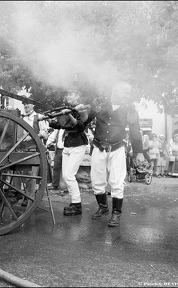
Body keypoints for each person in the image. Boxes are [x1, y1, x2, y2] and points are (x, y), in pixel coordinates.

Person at [89, 81, 145, 227]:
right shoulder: (100, 105)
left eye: (128, 93)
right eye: (125, 92)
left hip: (117, 149)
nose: (128, 95)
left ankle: (116, 214)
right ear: (115, 90)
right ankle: (103, 208)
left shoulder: (130, 110)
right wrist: (80, 113)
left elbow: (135, 131)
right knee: (97, 181)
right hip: (98, 147)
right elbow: (84, 121)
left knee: (117, 182)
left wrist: (139, 152)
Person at [48, 90, 92, 216]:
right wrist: (51, 119)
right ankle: (74, 202)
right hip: (67, 144)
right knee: (65, 176)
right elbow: (60, 124)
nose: (68, 97)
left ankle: (77, 204)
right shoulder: (67, 109)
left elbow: (80, 126)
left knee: (69, 175)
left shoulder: (81, 109)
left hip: (78, 144)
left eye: (72, 95)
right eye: (67, 95)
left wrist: (69, 114)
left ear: (77, 96)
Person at [14, 96, 49, 206]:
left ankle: (30, 197)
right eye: (24, 104)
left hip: (34, 149)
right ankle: (22, 194)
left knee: (31, 175)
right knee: (21, 174)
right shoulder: (21, 118)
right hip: (22, 149)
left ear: (33, 105)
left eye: (28, 103)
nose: (26, 105)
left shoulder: (38, 117)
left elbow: (45, 133)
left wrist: (33, 136)